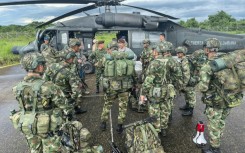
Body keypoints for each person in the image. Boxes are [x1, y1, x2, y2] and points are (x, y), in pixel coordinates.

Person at [10, 52, 71, 153]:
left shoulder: (17, 88)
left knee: (35, 150)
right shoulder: (49, 86)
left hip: (29, 127)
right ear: (39, 67)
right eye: (42, 64)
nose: (44, 67)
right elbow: (65, 106)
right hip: (48, 129)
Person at [198, 38, 243, 153]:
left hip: (216, 102)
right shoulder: (226, 61)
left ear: (207, 50)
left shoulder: (208, 66)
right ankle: (217, 140)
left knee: (214, 125)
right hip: (230, 99)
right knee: (221, 122)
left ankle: (214, 149)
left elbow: (203, 88)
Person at [141, 42, 183, 137]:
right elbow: (178, 76)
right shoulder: (173, 61)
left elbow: (148, 80)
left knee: (155, 109)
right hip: (168, 90)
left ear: (159, 51)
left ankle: (156, 130)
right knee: (165, 109)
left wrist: (143, 93)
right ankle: (164, 128)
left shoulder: (154, 63)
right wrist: (175, 87)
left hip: (156, 91)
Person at [100, 46, 136, 134]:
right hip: (125, 87)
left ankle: (103, 123)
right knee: (123, 106)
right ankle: (119, 126)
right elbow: (133, 74)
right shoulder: (127, 61)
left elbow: (101, 69)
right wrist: (134, 84)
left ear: (111, 51)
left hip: (112, 86)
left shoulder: (107, 60)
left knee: (107, 104)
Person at [176, 46, 197, 116]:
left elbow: (186, 74)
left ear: (182, 53)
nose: (177, 54)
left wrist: (183, 84)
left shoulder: (185, 61)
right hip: (188, 81)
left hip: (189, 81)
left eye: (179, 53)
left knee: (191, 95)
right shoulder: (183, 60)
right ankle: (187, 105)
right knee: (187, 94)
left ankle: (191, 110)